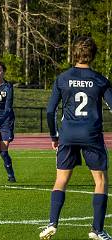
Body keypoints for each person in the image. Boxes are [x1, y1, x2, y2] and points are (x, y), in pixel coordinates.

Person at [39, 36, 112, 240]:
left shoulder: (62, 78)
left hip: (68, 134)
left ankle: (52, 222)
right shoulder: (100, 80)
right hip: (91, 134)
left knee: (61, 179)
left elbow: (50, 110)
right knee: (100, 180)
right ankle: (97, 230)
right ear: (94, 54)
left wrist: (54, 135)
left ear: (74, 53)